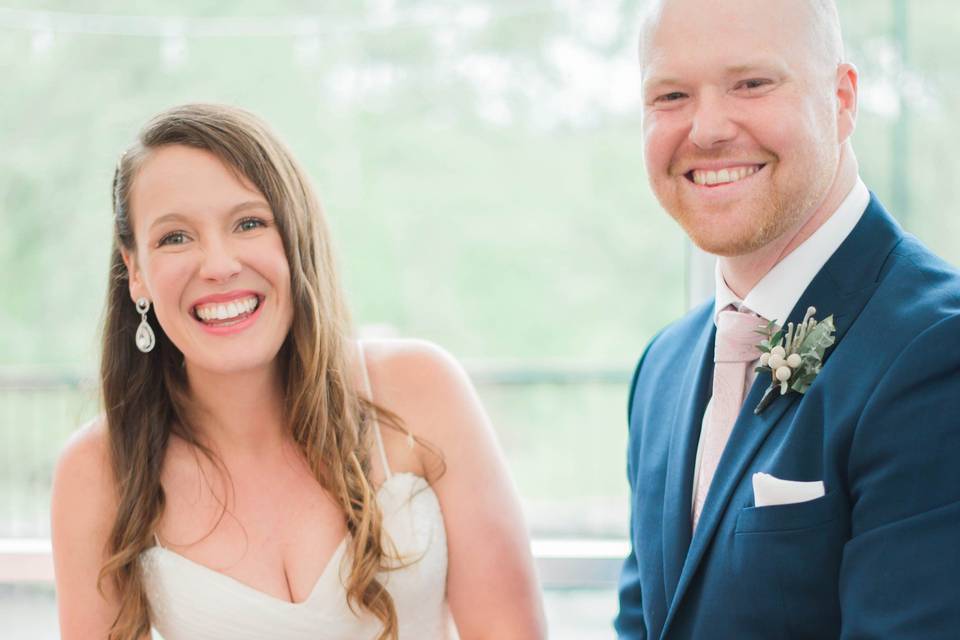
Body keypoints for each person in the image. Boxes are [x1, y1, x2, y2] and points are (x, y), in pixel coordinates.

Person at [51, 103, 546, 640]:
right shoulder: (97, 469)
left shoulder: (421, 389)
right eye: (175, 237)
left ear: (295, 237)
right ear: (136, 273)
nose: (217, 265)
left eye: (249, 223)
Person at [616, 1, 960, 638]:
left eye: (751, 83)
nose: (708, 128)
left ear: (843, 99)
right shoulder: (663, 367)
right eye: (670, 95)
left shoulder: (939, 352)